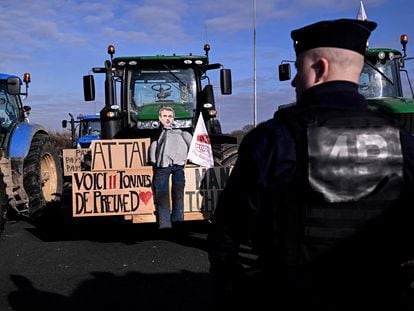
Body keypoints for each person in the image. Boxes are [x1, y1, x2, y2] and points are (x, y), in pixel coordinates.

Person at [208, 18, 414, 310]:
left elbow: (229, 232)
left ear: (319, 68)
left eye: (298, 69)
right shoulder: (402, 139)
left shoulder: (273, 139)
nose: (294, 81)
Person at [149, 106, 192, 229]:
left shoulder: (182, 131)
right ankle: (165, 224)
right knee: (162, 194)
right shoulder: (158, 132)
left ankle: (178, 221)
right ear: (159, 118)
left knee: (178, 193)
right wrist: (153, 160)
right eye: (164, 116)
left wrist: (191, 156)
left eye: (170, 116)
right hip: (163, 165)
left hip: (179, 165)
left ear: (173, 118)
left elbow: (190, 142)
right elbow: (154, 145)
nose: (167, 119)